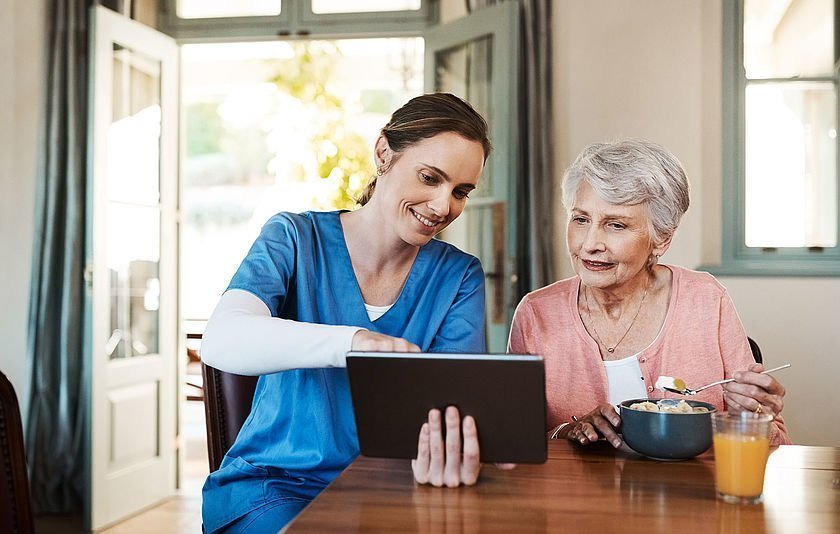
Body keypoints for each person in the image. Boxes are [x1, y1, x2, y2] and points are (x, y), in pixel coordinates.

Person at [200, 93, 493, 533]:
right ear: (383, 153)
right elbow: (222, 339)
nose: (442, 206)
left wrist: (454, 456)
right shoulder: (294, 239)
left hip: (400, 495)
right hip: (276, 489)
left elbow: (457, 409)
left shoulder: (459, 276)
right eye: (430, 177)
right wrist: (353, 342)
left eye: (460, 192)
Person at [508, 139, 791, 448]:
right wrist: (566, 432)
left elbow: (776, 440)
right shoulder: (535, 314)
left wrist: (752, 417)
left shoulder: (706, 300)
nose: (590, 243)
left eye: (615, 225)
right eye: (581, 219)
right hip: (574, 496)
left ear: (661, 240)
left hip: (690, 494)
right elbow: (512, 439)